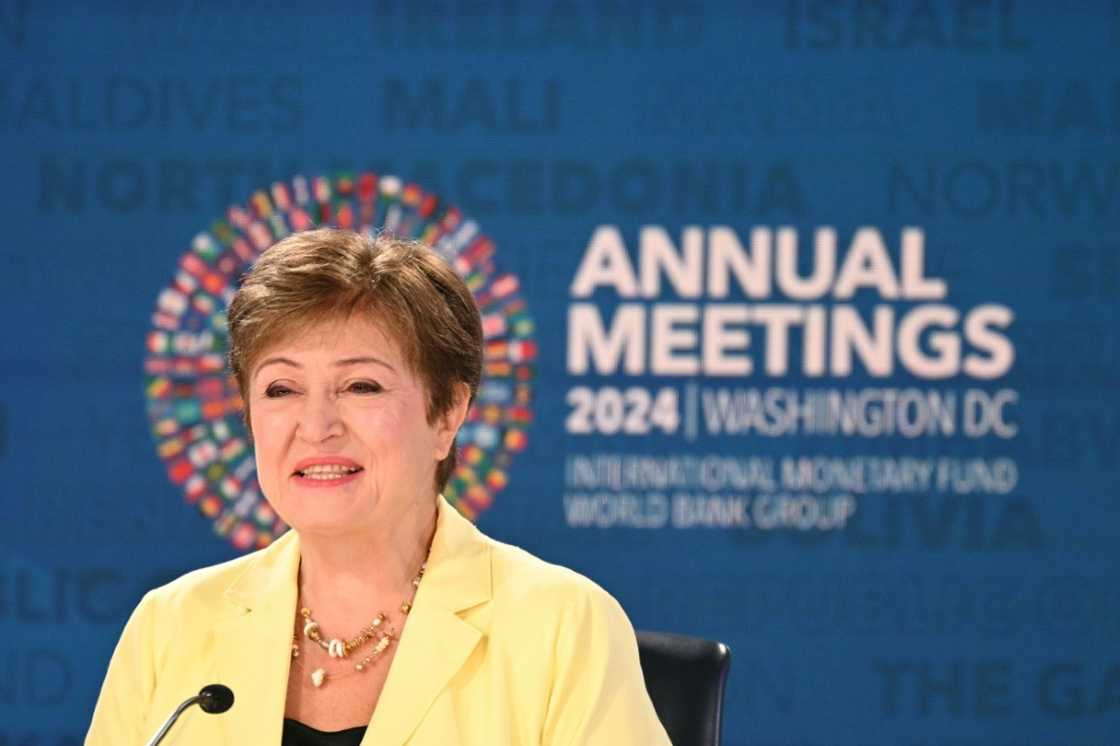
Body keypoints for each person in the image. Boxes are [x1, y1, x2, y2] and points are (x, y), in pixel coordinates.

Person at [85, 228, 671, 745]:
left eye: (361, 386)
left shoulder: (562, 627)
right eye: (280, 390)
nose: (316, 427)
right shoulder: (173, 624)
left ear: (447, 414)